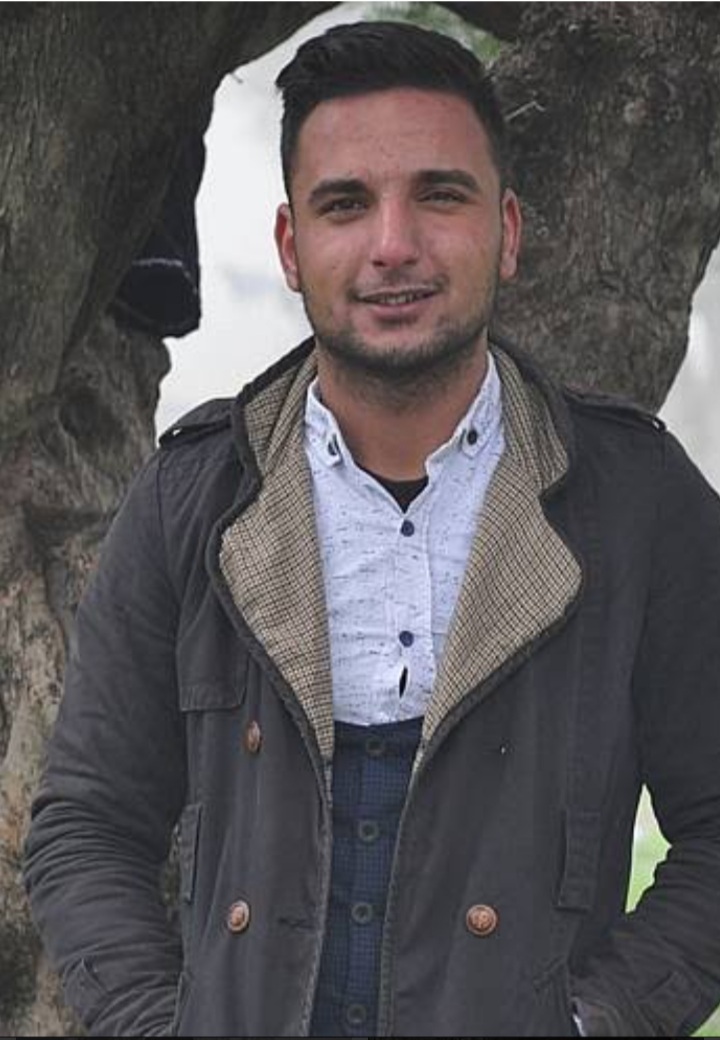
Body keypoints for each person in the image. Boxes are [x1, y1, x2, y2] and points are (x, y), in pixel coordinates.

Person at [23, 19, 720, 1039]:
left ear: (508, 232)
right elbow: (87, 826)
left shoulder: (636, 499)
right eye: (345, 204)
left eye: (440, 195)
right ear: (291, 247)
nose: (393, 244)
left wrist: (601, 1020)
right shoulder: (192, 498)